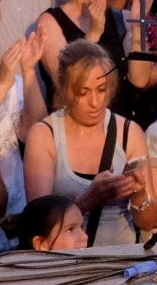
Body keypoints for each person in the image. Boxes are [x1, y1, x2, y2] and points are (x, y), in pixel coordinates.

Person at [21, 40, 147, 248]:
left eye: (101, 89)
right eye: (83, 92)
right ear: (64, 89)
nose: (95, 102)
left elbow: (149, 221)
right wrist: (89, 200)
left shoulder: (130, 132)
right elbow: (41, 224)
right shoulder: (44, 135)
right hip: (67, 259)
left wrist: (140, 196)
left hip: (121, 256)